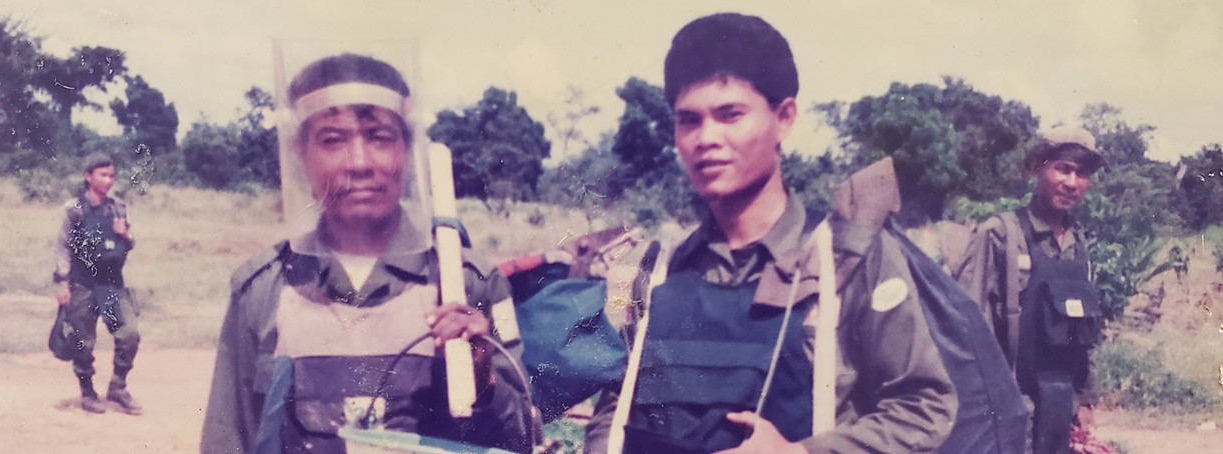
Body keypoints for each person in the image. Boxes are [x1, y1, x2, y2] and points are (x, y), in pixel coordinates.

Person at [582, 12, 957, 454]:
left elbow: (924, 407)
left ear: (784, 118)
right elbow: (616, 407)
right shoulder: (659, 272)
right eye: (689, 120)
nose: (706, 138)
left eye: (730, 115)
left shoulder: (844, 260)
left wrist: (800, 453)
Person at [199, 53, 531, 453]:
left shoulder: (469, 283)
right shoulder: (264, 289)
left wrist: (481, 376)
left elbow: (523, 437)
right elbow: (228, 440)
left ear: (407, 150)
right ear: (301, 154)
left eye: (379, 137)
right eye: (332, 140)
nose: (359, 163)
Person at [954, 126, 1106, 454]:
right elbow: (964, 326)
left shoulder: (1078, 243)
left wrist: (1084, 400)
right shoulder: (1000, 234)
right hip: (1008, 410)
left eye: (1081, 174)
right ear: (1038, 167)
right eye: (1062, 168)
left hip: (1059, 408)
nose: (1071, 182)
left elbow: (1081, 335)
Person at [53, 153, 143, 415]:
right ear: (88, 177)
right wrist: (63, 284)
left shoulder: (118, 207)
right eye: (103, 175)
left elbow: (128, 244)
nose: (108, 180)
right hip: (83, 284)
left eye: (111, 175)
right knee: (83, 342)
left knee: (129, 334)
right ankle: (87, 391)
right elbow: (63, 247)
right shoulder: (75, 209)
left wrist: (125, 234)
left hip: (112, 284)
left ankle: (118, 387)